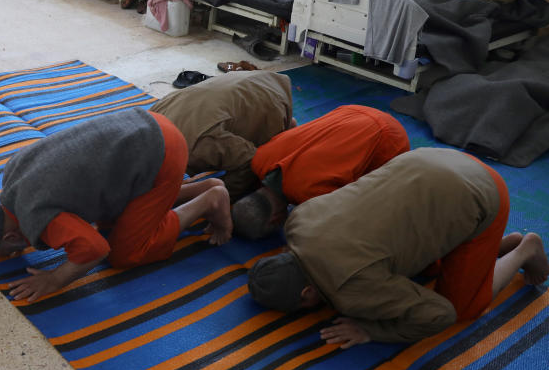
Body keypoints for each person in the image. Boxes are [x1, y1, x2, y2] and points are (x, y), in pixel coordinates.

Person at [247, 148, 549, 347]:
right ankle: (495, 247)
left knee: (463, 308)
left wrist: (371, 331)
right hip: (430, 160)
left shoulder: (351, 293)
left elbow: (438, 314)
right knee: (419, 263)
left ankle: (525, 249)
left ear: (306, 294)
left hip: (484, 192)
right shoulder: (297, 222)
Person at [0, 108, 236, 303]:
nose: (11, 256)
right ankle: (203, 187)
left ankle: (210, 200)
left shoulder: (38, 216)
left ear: (11, 236)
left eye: (7, 251)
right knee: (110, 223)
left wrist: (53, 280)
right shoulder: (12, 175)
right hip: (142, 123)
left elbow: (95, 250)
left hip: (161, 154)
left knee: (125, 253)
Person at [232, 105, 409, 239]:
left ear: (275, 220)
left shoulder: (313, 197)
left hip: (390, 136)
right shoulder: (260, 159)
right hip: (351, 111)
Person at [150, 71, 294, 199]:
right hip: (247, 79)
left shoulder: (201, 145)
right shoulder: (151, 117)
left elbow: (250, 160)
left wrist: (224, 195)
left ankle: (286, 129)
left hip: (271, 96)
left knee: (266, 160)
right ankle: (288, 128)